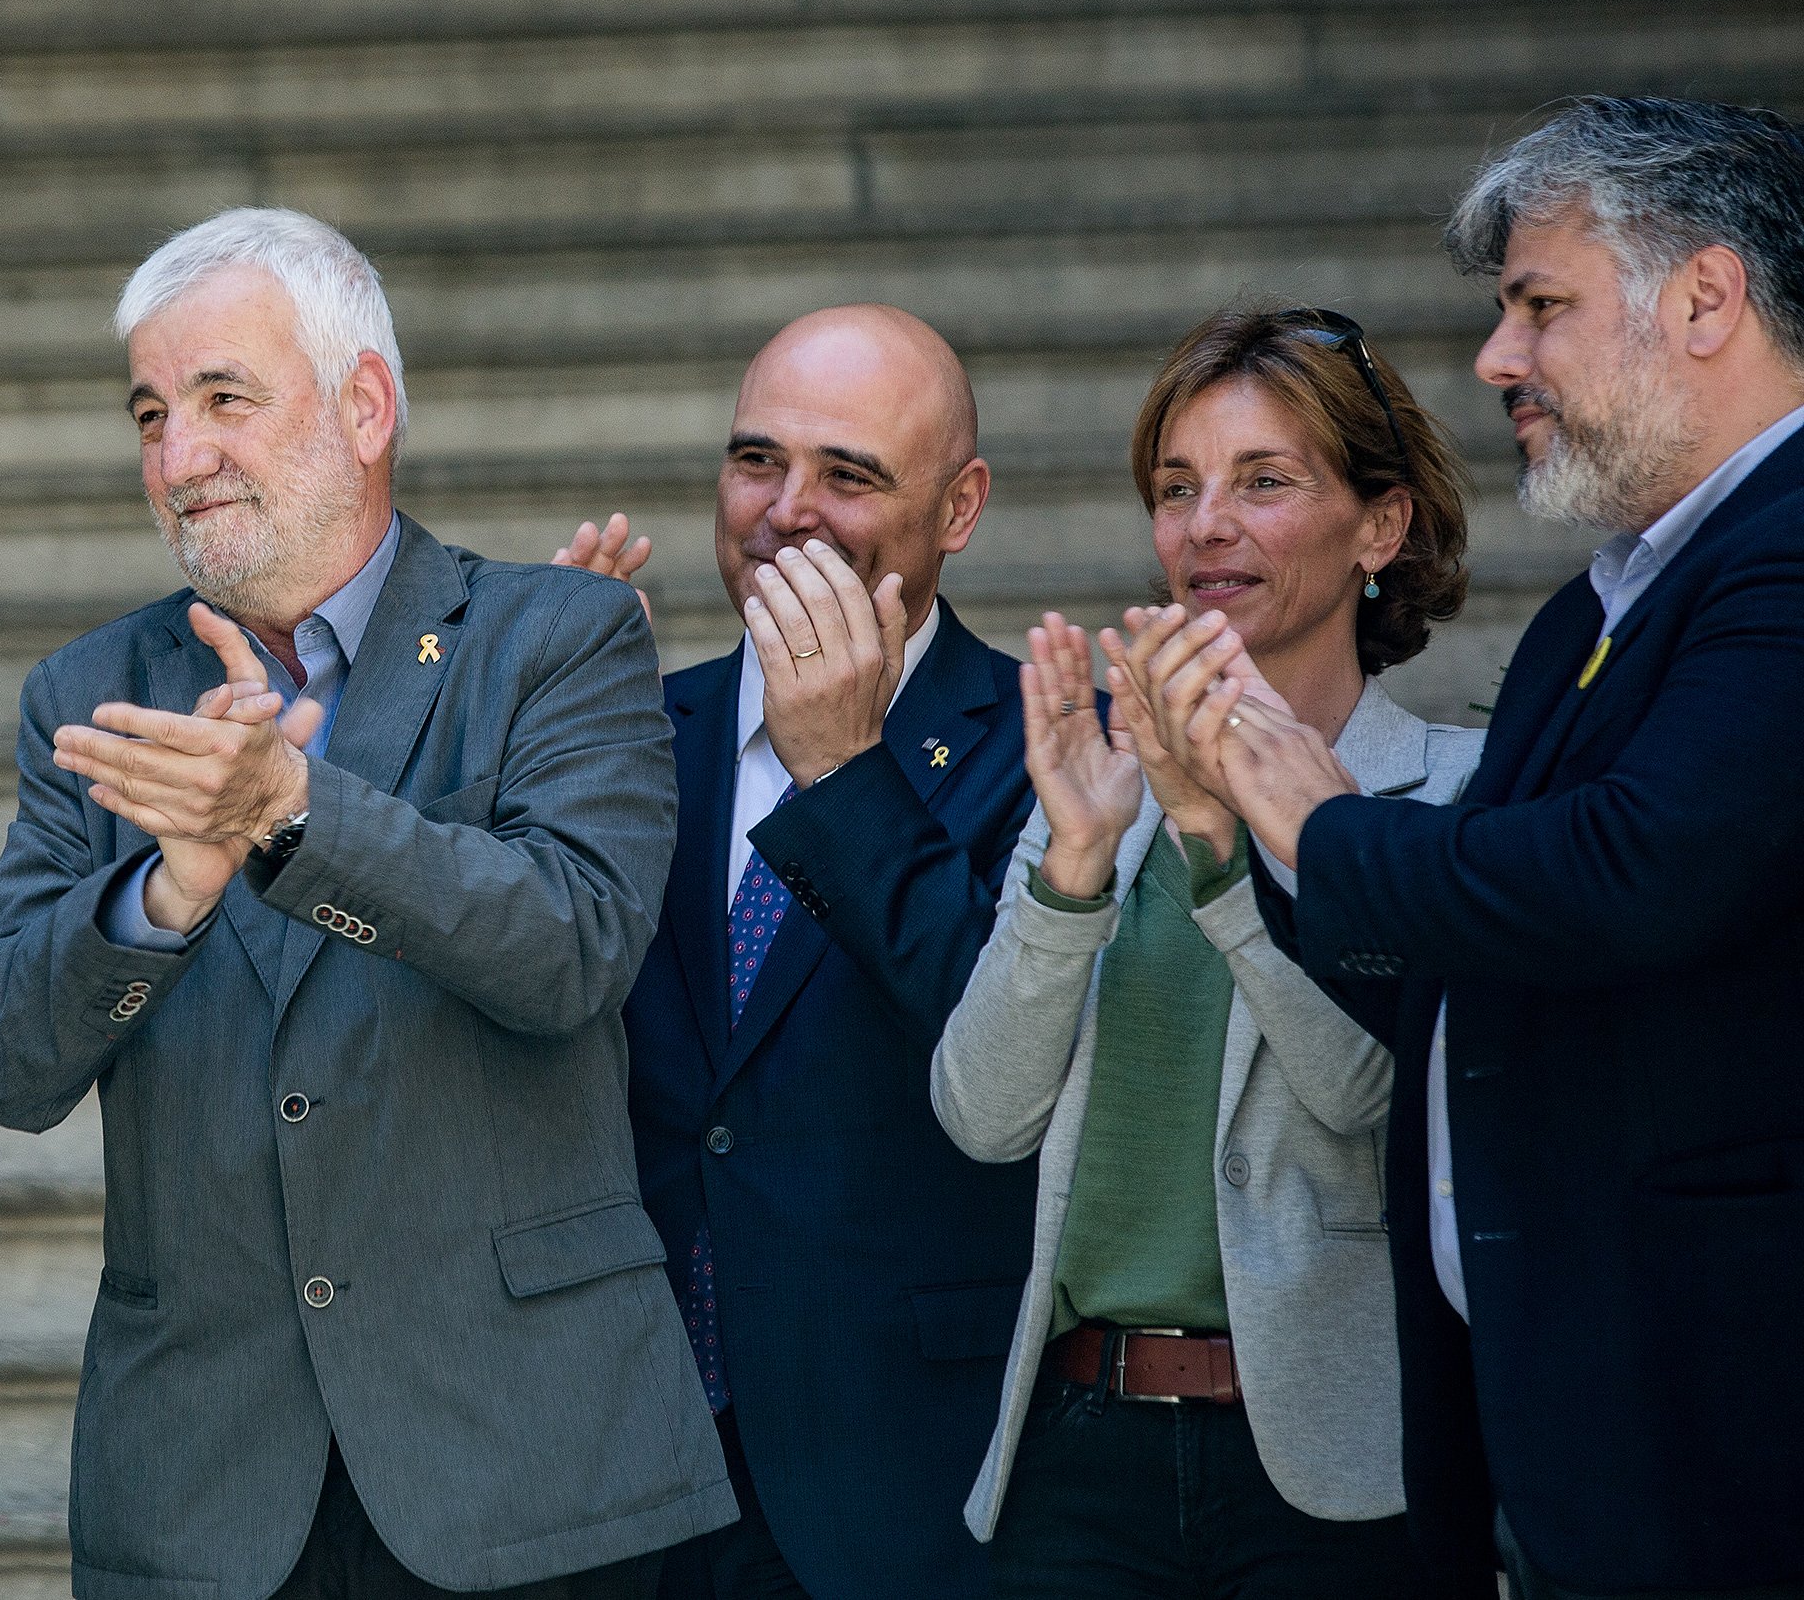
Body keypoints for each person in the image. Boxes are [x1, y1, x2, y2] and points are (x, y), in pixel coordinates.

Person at [0, 208, 731, 1600]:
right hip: (205, 1496)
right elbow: (3, 1064)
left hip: (524, 1468)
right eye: (150, 413)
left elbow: (573, 948)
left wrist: (294, 815)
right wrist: (163, 888)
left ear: (365, 404)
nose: (179, 458)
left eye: (223, 399)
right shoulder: (91, 693)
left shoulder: (557, 635)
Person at [1151, 98, 1804, 1599]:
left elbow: (1639, 867)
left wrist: (1314, 814)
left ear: (1706, 298)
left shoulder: (1786, 548)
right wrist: (1244, 836)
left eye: (1538, 306)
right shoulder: (1598, 606)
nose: (1498, 359)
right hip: (1559, 1433)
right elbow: (1468, 979)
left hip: (1726, 1443)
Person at [933, 306, 1483, 1599]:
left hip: (1337, 1470)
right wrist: (1075, 861)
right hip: (1078, 1460)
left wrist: (1223, 861)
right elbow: (980, 1111)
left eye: (1263, 480)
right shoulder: (1094, 787)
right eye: (1177, 487)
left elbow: (1372, 1095)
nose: (1203, 524)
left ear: (1381, 526)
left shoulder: (1454, 802)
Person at [561, 305, 1039, 1600]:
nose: (787, 508)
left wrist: (844, 770)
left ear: (960, 506)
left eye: (851, 473)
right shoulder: (631, 732)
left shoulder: (1049, 742)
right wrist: (531, 740)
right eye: (756, 459)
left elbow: (1010, 1052)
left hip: (904, 1478)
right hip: (639, 1479)